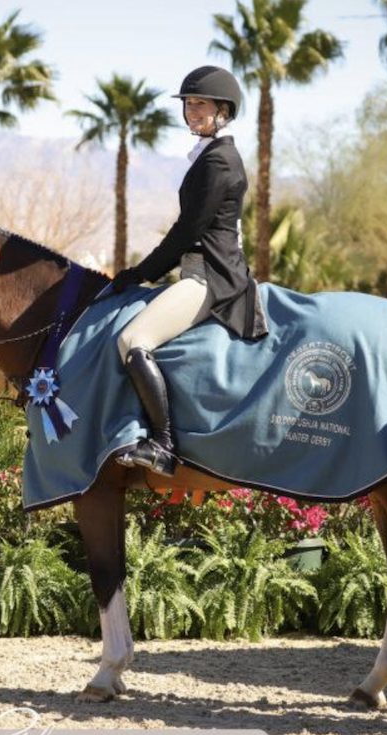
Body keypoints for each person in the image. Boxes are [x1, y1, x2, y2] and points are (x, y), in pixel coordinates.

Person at [110, 65, 268, 477]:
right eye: (189, 104)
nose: (193, 111)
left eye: (202, 104)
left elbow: (188, 231)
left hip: (208, 277)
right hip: (196, 269)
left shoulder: (220, 161)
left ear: (224, 110)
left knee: (133, 339)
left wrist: (140, 273)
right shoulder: (210, 155)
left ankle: (162, 445)